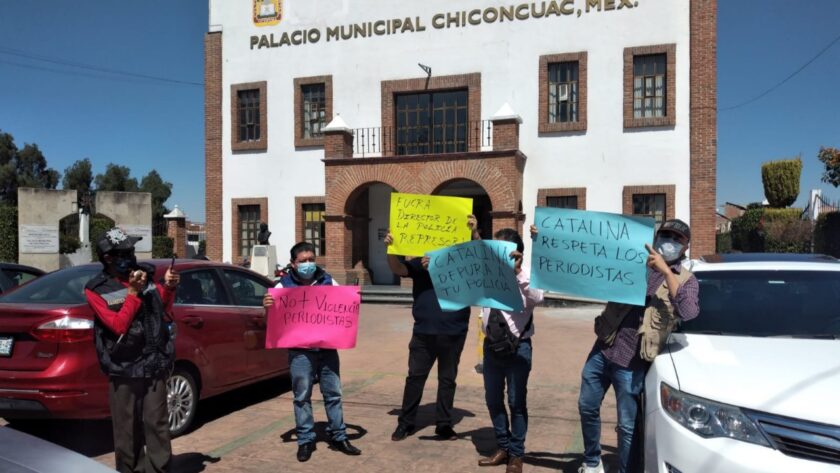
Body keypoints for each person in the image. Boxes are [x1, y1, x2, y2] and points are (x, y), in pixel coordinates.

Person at [570, 219, 700, 473]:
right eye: (665, 235)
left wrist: (664, 271)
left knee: (628, 425)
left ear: (686, 247)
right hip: (604, 348)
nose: (669, 242)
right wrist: (545, 240)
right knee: (586, 406)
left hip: (633, 361)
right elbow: (588, 262)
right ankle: (593, 462)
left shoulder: (687, 280)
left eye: (677, 239)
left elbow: (688, 311)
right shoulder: (631, 262)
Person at [85, 228, 179, 473]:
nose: (131, 255)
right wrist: (133, 294)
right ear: (108, 257)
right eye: (125, 252)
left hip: (153, 362)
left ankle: (160, 469)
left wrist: (168, 288)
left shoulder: (145, 275)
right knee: (127, 430)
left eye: (132, 250)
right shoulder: (96, 289)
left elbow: (163, 311)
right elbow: (118, 326)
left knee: (157, 423)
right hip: (124, 366)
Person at [262, 242, 361, 462]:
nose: (308, 264)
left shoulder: (328, 280)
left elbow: (343, 308)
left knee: (333, 393)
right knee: (302, 396)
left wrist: (353, 300)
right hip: (300, 353)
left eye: (311, 259)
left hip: (327, 349)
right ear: (293, 264)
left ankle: (339, 435)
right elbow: (271, 323)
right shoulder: (282, 287)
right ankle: (306, 440)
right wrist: (267, 307)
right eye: (303, 260)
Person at [385, 215, 480, 442]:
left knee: (447, 380)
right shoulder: (421, 261)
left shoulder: (465, 265)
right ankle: (406, 423)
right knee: (415, 378)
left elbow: (482, 260)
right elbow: (398, 268)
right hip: (423, 332)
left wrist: (475, 233)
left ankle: (444, 425)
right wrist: (391, 247)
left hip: (454, 331)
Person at [477, 228, 544, 473]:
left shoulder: (527, 274)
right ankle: (502, 447)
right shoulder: (490, 272)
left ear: (516, 252)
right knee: (493, 400)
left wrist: (517, 273)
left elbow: (538, 298)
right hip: (491, 347)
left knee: (516, 402)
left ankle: (516, 454)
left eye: (502, 248)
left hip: (518, 349)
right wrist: (475, 233)